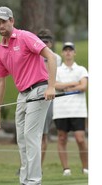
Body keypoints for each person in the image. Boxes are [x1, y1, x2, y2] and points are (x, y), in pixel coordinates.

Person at [0, 6, 57, 185]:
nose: (1, 26)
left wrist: (51, 86)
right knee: (21, 139)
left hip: (39, 89)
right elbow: (0, 80)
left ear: (12, 20)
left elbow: (51, 57)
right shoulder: (0, 49)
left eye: (4, 21)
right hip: (23, 95)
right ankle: (25, 184)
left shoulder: (25, 37)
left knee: (31, 136)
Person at [53, 42, 88, 176]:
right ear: (62, 53)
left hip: (78, 110)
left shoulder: (81, 69)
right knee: (62, 138)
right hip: (60, 110)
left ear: (74, 53)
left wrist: (66, 87)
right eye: (65, 50)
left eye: (70, 50)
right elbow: (55, 85)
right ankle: (66, 169)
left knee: (80, 139)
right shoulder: (57, 70)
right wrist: (74, 83)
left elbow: (83, 86)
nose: (68, 52)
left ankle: (86, 168)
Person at [36, 29, 62, 167]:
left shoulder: (55, 57)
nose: (43, 44)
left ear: (50, 44)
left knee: (43, 134)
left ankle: (38, 167)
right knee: (30, 135)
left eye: (46, 42)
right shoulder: (32, 55)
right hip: (33, 95)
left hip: (48, 96)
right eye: (41, 41)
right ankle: (28, 166)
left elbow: (48, 71)